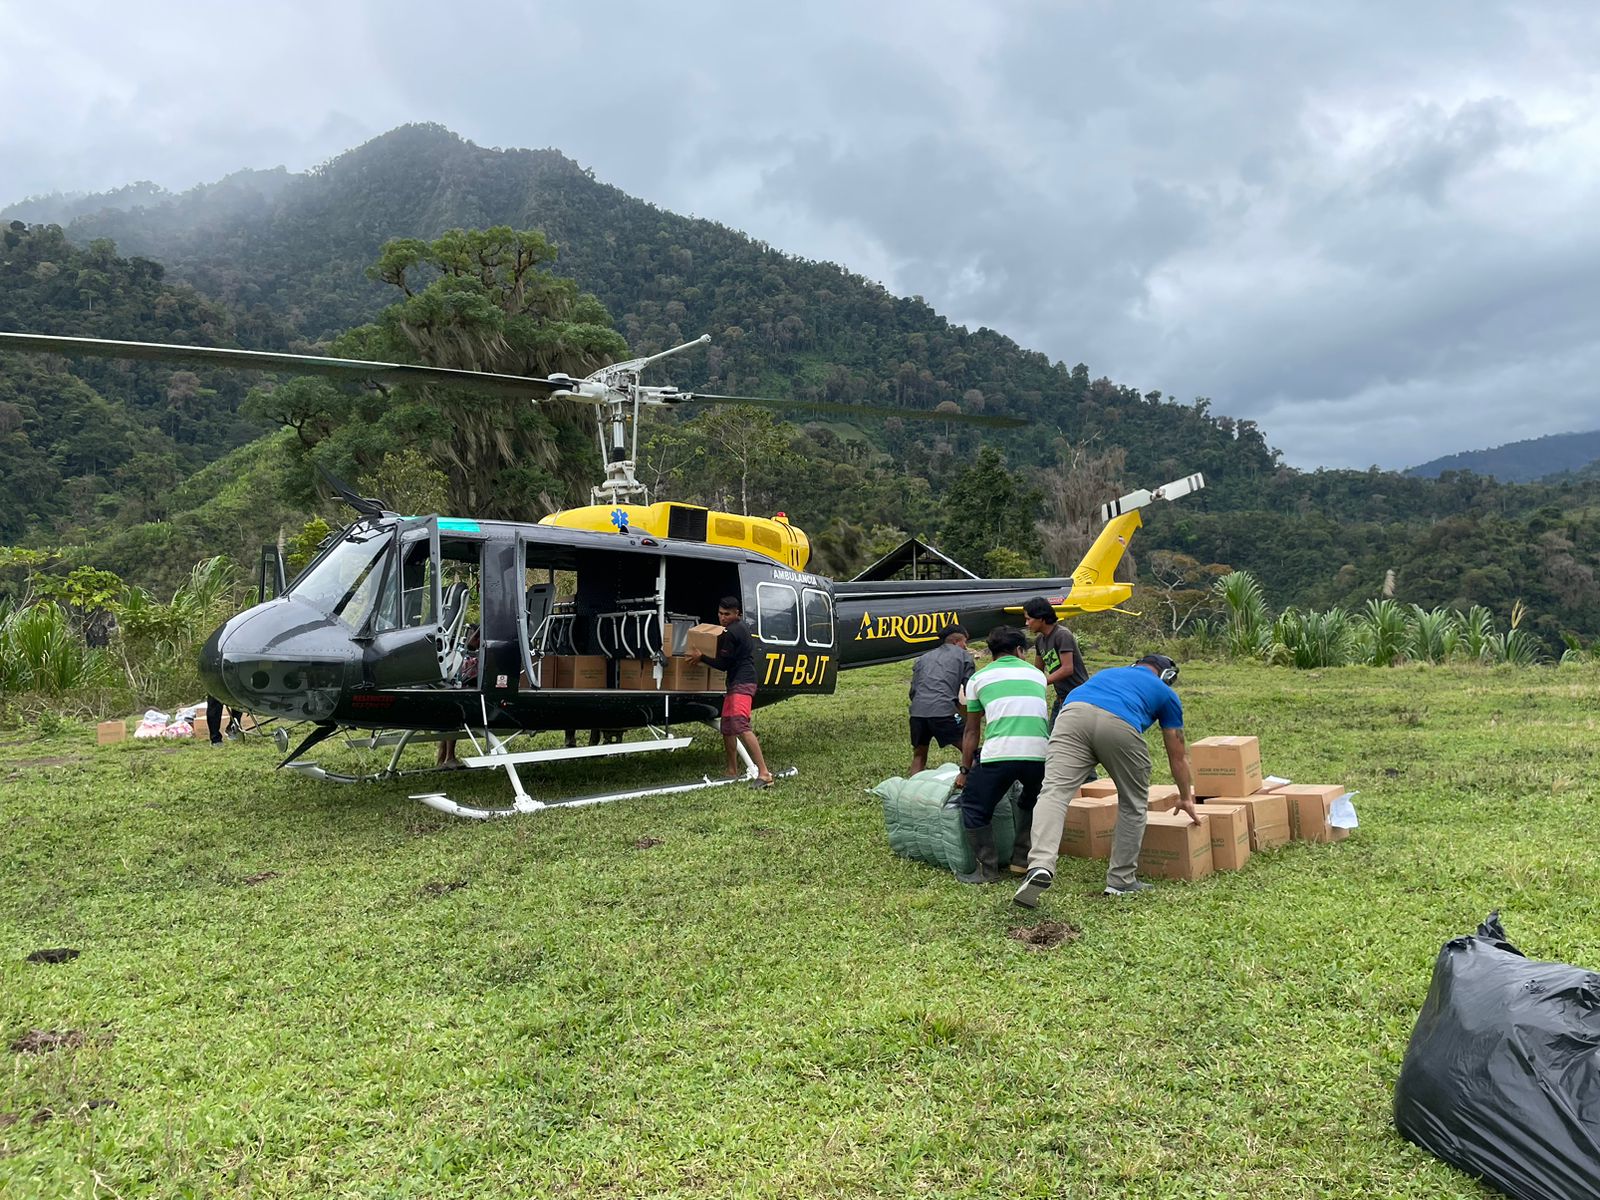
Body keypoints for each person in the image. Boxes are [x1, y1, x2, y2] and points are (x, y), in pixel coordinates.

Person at [1014, 653, 1200, 908]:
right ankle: (1120, 881)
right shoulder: (1166, 693)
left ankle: (1040, 866)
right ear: (1168, 676)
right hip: (1119, 724)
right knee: (1133, 803)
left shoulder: (1109, 673)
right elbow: (1177, 756)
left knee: (1054, 793)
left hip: (1071, 715)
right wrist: (1186, 797)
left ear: (1134, 665)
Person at [952, 626, 1050, 884]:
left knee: (974, 807)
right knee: (1031, 801)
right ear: (1020, 650)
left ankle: (988, 870)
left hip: (999, 755)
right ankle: (1021, 860)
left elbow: (972, 730)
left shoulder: (979, 678)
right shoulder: (1038, 676)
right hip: (1040, 754)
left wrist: (965, 771)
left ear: (991, 652)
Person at [685, 595, 776, 788]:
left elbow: (723, 664)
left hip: (743, 682)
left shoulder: (733, 632)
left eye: (727, 614)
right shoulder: (736, 629)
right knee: (727, 727)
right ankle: (731, 770)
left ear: (737, 614)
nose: (722, 617)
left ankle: (765, 773)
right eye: (720, 613)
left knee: (740, 725)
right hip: (735, 682)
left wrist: (701, 657)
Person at [907, 624, 974, 777]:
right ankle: (975, 789)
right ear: (957, 641)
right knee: (969, 749)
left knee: (919, 755)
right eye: (965, 642)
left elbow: (913, 692)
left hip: (917, 713)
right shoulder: (964, 657)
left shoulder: (922, 659)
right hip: (943, 711)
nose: (966, 646)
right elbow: (970, 691)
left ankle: (912, 788)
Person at [1022, 597, 1089, 728]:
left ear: (1040, 618)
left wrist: (1041, 681)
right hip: (1061, 697)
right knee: (1052, 736)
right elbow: (1038, 670)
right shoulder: (1040, 640)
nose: (1026, 623)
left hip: (1078, 697)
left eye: (1029, 619)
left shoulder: (1062, 635)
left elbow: (1067, 668)